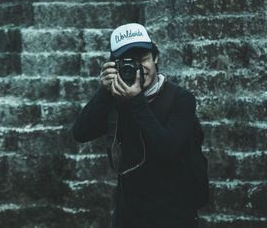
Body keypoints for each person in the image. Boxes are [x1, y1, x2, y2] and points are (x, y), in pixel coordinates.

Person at [72, 23, 199, 228]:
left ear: (155, 57)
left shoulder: (181, 99)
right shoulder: (118, 100)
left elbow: (168, 149)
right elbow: (80, 133)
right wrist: (104, 92)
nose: (139, 68)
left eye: (143, 59)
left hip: (173, 214)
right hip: (130, 215)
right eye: (128, 63)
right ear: (115, 66)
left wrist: (136, 101)